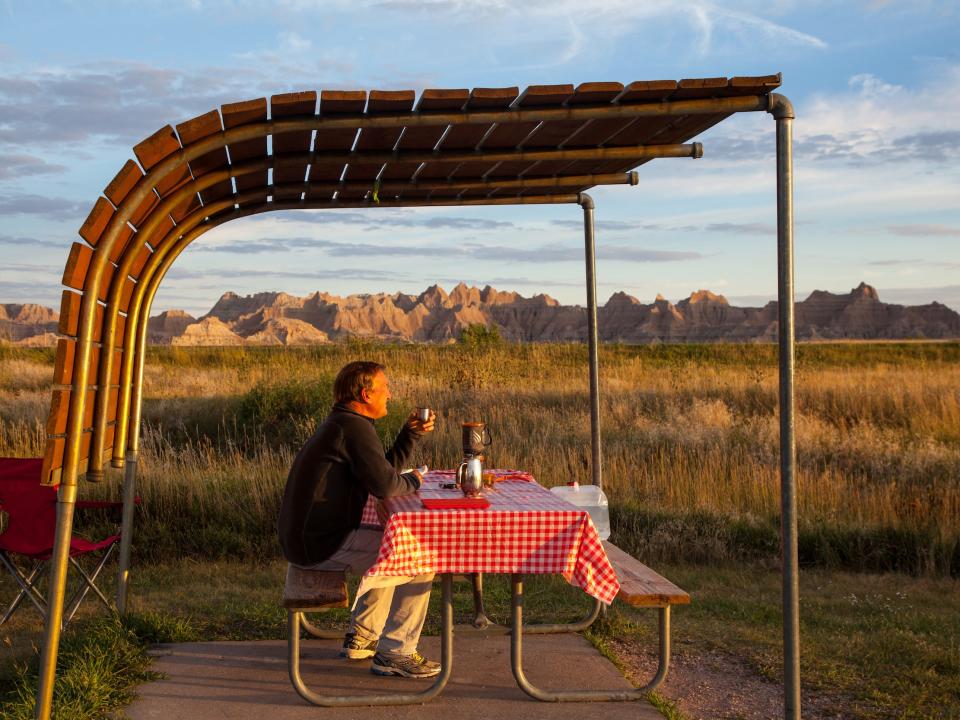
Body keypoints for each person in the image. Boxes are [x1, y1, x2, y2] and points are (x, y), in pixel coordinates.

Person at [277, 360, 439, 678]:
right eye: (385, 388)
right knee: (419, 555)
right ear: (366, 394)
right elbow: (386, 484)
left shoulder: (347, 424)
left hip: (310, 538)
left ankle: (363, 637)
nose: (389, 395)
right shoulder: (353, 428)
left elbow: (381, 472)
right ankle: (397, 652)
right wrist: (417, 481)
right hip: (318, 545)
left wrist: (409, 435)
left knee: (391, 546)